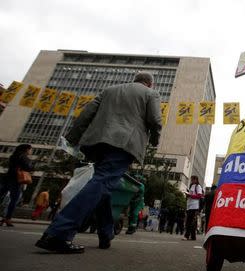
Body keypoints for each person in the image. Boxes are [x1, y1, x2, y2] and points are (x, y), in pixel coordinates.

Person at [35, 71, 162, 253]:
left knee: (103, 185)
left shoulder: (109, 90)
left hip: (96, 143)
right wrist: (155, 141)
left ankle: (106, 232)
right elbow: (155, 120)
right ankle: (58, 233)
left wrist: (73, 137)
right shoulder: (151, 94)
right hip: (123, 143)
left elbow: (86, 114)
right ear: (150, 84)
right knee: (102, 182)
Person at [0, 144, 33, 227]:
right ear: (26, 149)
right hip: (16, 179)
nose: (31, 151)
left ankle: (6, 218)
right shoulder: (24, 157)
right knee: (14, 199)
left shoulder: (13, 156)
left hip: (7, 177)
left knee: (1, 194)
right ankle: (8, 218)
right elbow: (28, 167)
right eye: (30, 149)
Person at [183, 175, 203, 241]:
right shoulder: (192, 186)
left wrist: (190, 195)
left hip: (195, 206)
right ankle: (193, 236)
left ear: (196, 180)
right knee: (191, 222)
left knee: (190, 222)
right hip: (190, 205)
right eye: (191, 179)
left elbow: (199, 196)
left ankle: (187, 236)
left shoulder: (198, 186)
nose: (192, 181)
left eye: (193, 179)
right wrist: (188, 195)